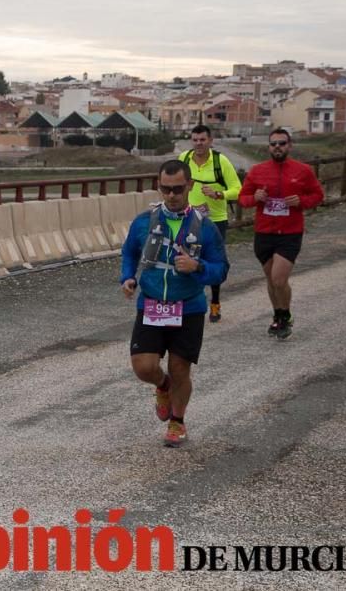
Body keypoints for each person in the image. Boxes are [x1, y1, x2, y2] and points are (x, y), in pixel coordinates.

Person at [120, 160, 229, 447]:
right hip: (152, 303)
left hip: (188, 306)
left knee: (181, 368)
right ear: (159, 187)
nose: (171, 195)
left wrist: (198, 266)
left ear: (190, 186)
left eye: (178, 189)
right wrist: (127, 277)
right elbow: (129, 252)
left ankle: (177, 421)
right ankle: (162, 385)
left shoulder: (205, 227)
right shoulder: (144, 221)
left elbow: (222, 269)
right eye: (165, 189)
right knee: (143, 367)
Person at [238, 129, 324, 339]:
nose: (278, 147)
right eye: (274, 143)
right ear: (269, 147)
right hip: (264, 232)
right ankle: (278, 315)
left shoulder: (302, 170)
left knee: (278, 279)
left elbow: (318, 195)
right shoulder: (257, 171)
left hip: (289, 233)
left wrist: (301, 202)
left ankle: (285, 316)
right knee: (270, 277)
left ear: (289, 146)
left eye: (282, 143)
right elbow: (243, 198)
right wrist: (255, 197)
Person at [179, 124, 242, 322]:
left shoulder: (220, 161)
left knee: (213, 261)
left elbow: (237, 189)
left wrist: (218, 194)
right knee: (184, 259)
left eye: (202, 140)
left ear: (210, 141)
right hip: (188, 217)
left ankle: (215, 302)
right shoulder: (184, 158)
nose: (198, 144)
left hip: (215, 220)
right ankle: (188, 302)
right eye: (195, 140)